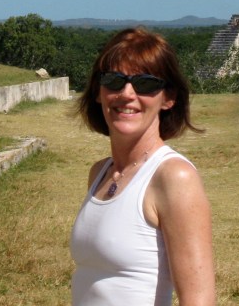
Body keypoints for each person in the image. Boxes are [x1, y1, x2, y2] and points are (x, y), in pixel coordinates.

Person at [71, 27, 215, 306]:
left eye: (145, 84)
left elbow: (199, 299)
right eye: (114, 81)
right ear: (98, 92)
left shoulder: (173, 176)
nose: (126, 93)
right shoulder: (100, 173)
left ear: (169, 98)